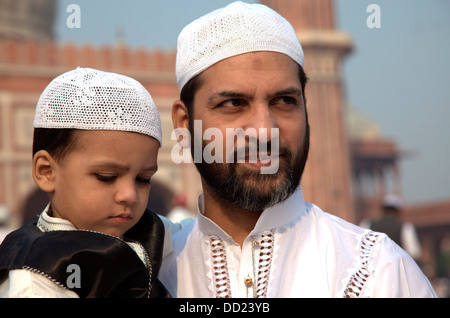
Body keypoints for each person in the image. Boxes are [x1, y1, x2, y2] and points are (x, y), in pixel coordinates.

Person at [158, 1, 436, 297]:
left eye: (285, 101)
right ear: (184, 123)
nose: (264, 131)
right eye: (234, 104)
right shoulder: (150, 273)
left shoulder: (379, 271)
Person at [0, 67, 168, 298]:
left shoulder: (147, 233)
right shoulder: (35, 281)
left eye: (143, 179)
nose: (129, 195)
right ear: (46, 172)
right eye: (106, 177)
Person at [362, 194, 422, 262]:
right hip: (396, 268)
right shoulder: (405, 227)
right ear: (398, 211)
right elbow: (414, 252)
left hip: (373, 269)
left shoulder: (367, 224)